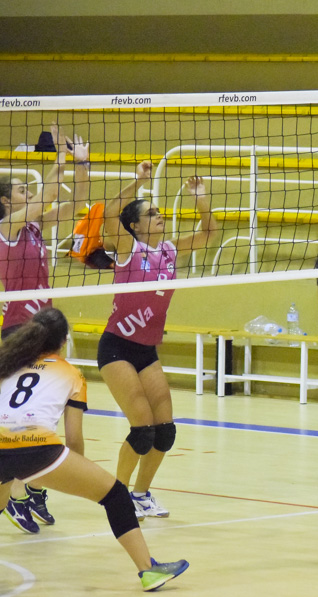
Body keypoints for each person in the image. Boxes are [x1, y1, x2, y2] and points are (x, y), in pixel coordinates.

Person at [0, 308, 188, 591]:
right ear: (64, 341)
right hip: (36, 448)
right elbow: (74, 439)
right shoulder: (72, 374)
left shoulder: (8, 364)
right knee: (114, 495)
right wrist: (76, 473)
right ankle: (148, 571)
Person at [99, 162, 219, 520]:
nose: (159, 216)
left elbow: (209, 233)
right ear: (134, 225)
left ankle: (141, 494)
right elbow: (108, 214)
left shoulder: (168, 249)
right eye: (151, 214)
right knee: (142, 429)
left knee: (164, 431)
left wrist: (201, 202)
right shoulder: (127, 248)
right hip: (117, 346)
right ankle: (116, 496)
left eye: (159, 212)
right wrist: (138, 182)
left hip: (146, 350)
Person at [0, 126, 90, 533]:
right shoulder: (10, 228)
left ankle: (30, 486)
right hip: (16, 333)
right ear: (5, 201)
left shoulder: (34, 227)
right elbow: (44, 200)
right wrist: (58, 160)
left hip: (44, 331)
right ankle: (17, 493)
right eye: (20, 189)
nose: (27, 193)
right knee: (20, 421)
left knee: (42, 414)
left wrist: (82, 166)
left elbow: (76, 208)